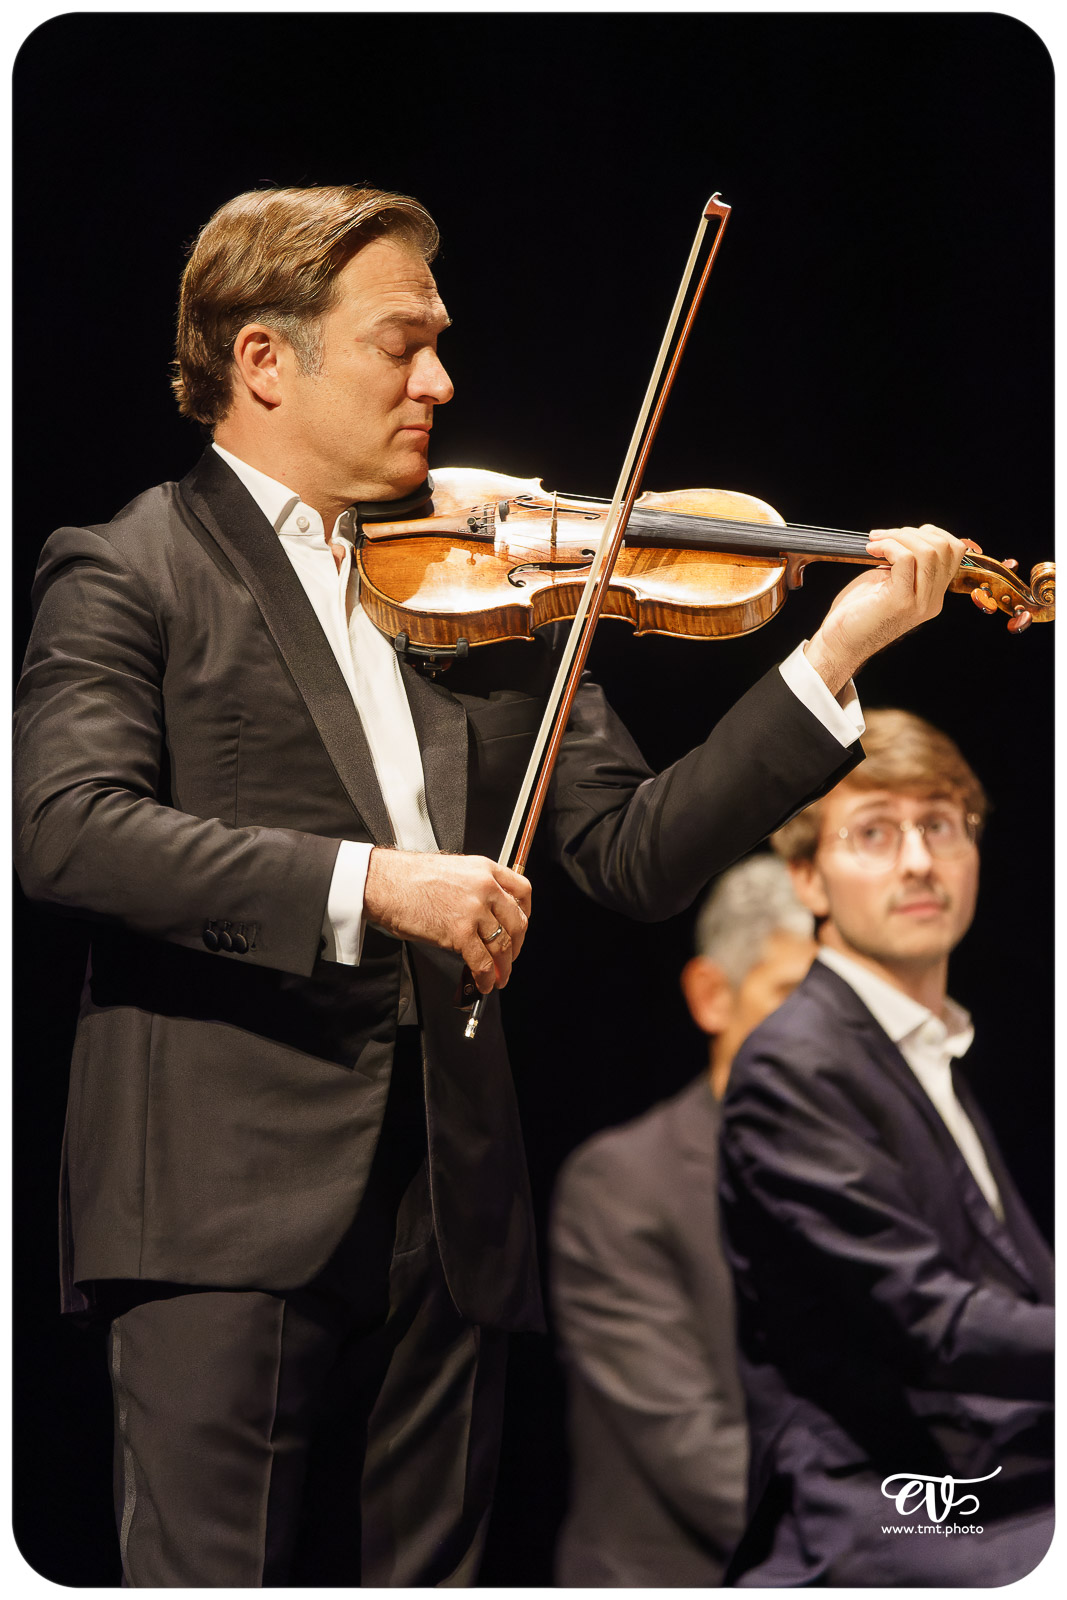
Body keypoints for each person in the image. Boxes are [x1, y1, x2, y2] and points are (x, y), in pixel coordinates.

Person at [13, 183, 965, 1587]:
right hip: (218, 1189)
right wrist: (376, 885)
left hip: (449, 1199)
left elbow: (631, 853)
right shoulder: (129, 567)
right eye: (400, 343)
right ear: (264, 361)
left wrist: (832, 658)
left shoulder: (474, 579)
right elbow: (66, 828)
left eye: (439, 341)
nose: (442, 381)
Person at [718, 709, 1053, 1587]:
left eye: (939, 825)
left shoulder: (922, 1044)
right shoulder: (795, 1064)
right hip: (899, 1503)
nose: (917, 861)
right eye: (874, 832)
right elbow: (931, 1322)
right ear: (808, 878)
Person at [550, 855, 815, 1586]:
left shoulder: (893, 1174)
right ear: (711, 995)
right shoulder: (623, 1183)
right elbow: (692, 1447)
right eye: (797, 997)